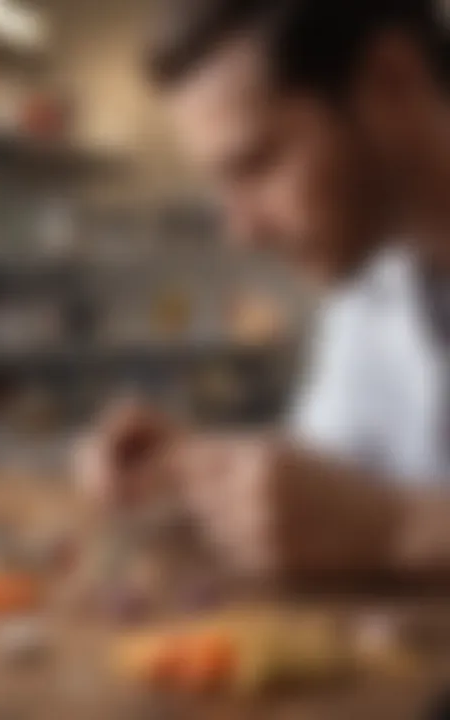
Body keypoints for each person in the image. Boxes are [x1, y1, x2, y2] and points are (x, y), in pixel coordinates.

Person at [76, 0, 450, 580]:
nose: (242, 231)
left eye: (256, 165)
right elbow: (336, 484)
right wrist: (203, 479)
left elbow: (379, 520)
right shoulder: (367, 281)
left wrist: (398, 528)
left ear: (390, 82)